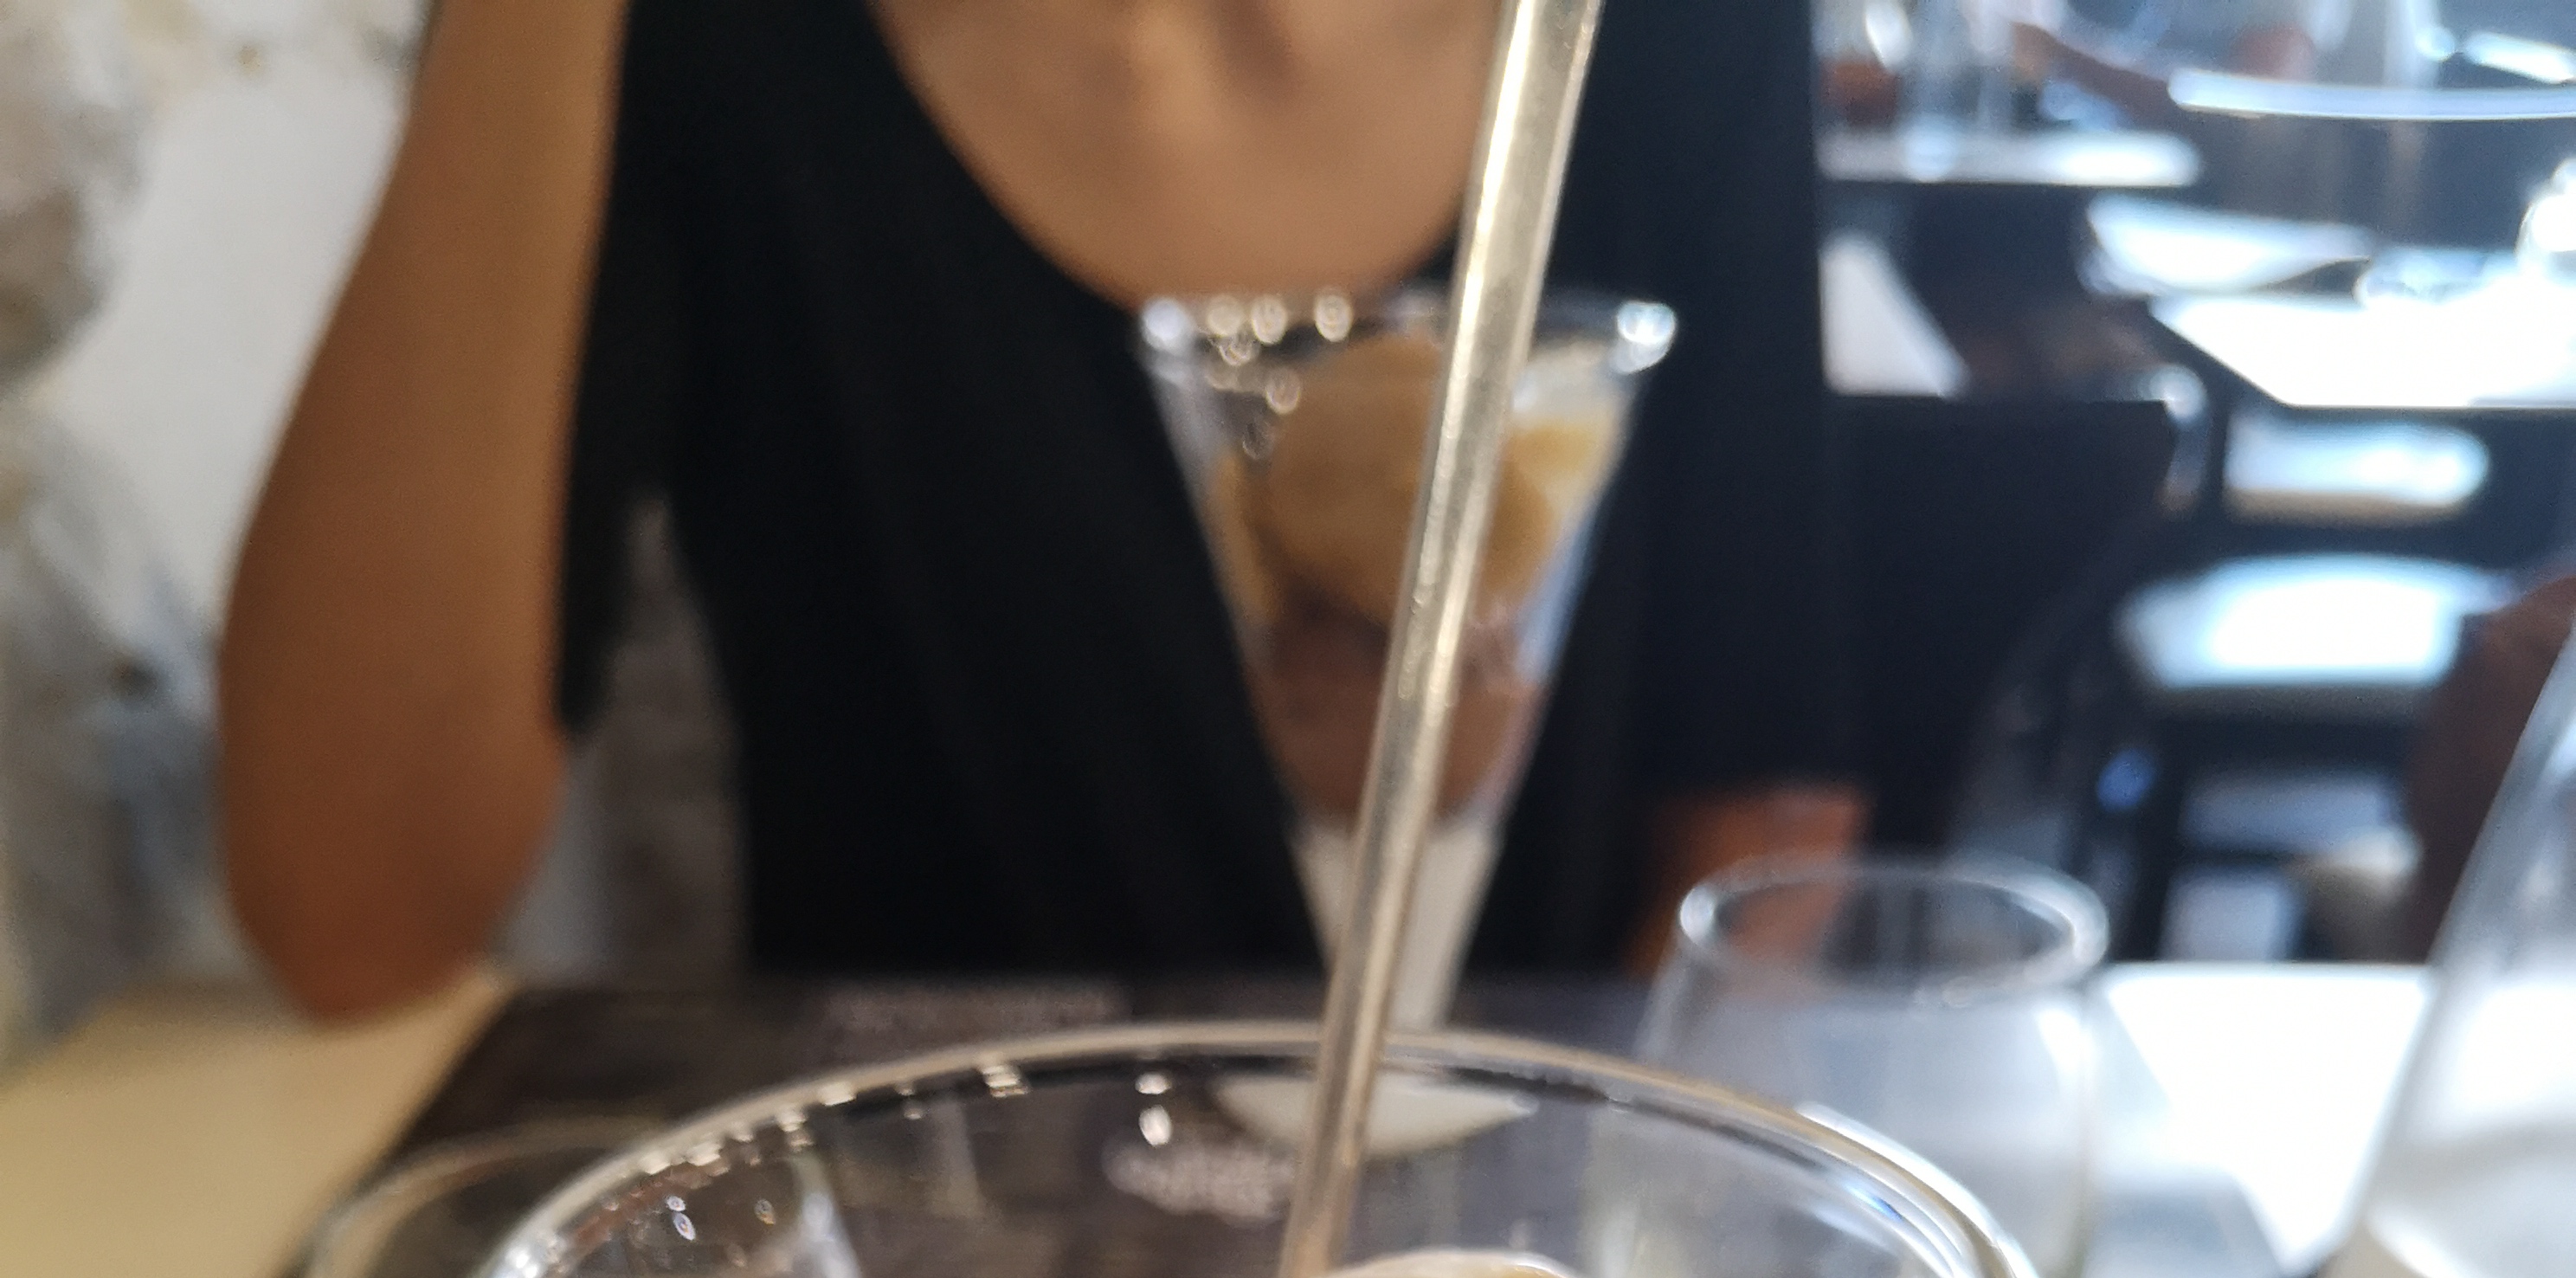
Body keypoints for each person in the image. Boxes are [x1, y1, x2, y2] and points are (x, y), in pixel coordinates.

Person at [222, 0, 1857, 1017]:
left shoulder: (1663, 36)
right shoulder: (710, 48)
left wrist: (1597, 1219)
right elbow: (349, 913)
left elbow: (1759, 809)